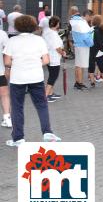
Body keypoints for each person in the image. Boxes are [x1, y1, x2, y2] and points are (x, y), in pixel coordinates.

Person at [3, 15, 61, 146]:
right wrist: (34, 63)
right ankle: (47, 132)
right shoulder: (39, 40)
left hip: (18, 78)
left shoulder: (12, 41)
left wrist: (17, 64)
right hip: (36, 77)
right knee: (42, 105)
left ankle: (18, 138)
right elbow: (46, 60)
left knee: (17, 107)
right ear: (33, 26)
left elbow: (7, 61)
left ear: (17, 26)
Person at [69, 6, 93, 90]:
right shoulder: (82, 23)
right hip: (83, 46)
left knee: (78, 65)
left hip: (78, 45)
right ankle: (80, 83)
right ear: (87, 15)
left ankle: (77, 82)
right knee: (81, 66)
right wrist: (91, 43)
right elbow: (86, 36)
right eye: (90, 17)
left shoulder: (74, 21)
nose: (90, 19)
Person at [43, 17, 65, 102]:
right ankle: (45, 95)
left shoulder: (47, 31)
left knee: (51, 75)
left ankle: (51, 94)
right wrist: (63, 53)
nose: (59, 24)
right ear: (56, 24)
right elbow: (57, 47)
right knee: (53, 77)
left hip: (49, 56)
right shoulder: (53, 34)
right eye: (58, 23)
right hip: (54, 57)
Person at [88, 16, 103, 88]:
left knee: (102, 66)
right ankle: (92, 82)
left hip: (100, 52)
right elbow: (98, 43)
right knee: (91, 66)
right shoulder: (97, 31)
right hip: (94, 51)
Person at [0, 28, 11, 128]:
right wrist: (8, 68)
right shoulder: (2, 33)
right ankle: (7, 118)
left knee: (4, 93)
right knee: (4, 94)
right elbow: (8, 52)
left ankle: (7, 118)